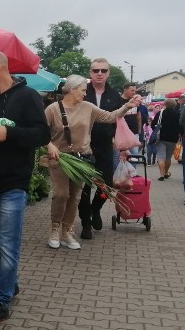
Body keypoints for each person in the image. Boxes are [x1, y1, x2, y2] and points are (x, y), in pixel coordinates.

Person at [0, 49, 50, 327]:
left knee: (7, 243)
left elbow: (42, 134)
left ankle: (0, 301)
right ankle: (10, 282)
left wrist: (9, 133)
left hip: (14, 182)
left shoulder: (27, 97)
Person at [44, 74, 141, 248]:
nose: (84, 94)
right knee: (61, 194)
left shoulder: (88, 107)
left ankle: (67, 231)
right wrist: (49, 145)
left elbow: (111, 117)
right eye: (82, 90)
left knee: (74, 197)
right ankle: (54, 227)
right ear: (72, 90)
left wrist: (127, 106)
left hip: (82, 159)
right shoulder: (52, 109)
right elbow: (41, 132)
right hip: (60, 158)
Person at [78, 58, 124, 238]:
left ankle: (95, 209)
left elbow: (120, 123)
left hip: (105, 146)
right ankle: (85, 224)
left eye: (103, 71)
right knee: (84, 187)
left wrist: (123, 148)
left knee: (107, 186)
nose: (99, 73)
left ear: (108, 73)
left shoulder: (114, 96)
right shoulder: (82, 92)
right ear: (90, 73)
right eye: (96, 70)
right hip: (84, 146)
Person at [152, 98, 180, 180]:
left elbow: (153, 124)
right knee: (168, 157)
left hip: (161, 137)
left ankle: (161, 175)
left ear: (165, 104)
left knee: (161, 156)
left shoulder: (160, 113)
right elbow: (180, 126)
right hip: (173, 138)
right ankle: (165, 173)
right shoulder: (177, 114)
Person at [120, 82, 144, 155]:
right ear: (125, 90)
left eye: (135, 91)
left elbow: (138, 115)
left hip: (134, 132)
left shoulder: (135, 101)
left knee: (134, 154)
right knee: (121, 155)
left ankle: (133, 167)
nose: (134, 93)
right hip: (122, 133)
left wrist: (139, 129)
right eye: (132, 90)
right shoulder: (119, 101)